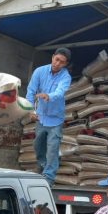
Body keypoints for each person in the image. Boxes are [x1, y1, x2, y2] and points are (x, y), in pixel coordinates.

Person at [26, 47, 72, 186]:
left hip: (55, 120)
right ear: (52, 57)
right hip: (41, 118)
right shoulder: (39, 72)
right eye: (56, 59)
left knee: (52, 149)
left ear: (65, 64)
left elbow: (60, 92)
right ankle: (42, 165)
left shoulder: (65, 77)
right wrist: (30, 111)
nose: (58, 63)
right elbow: (31, 91)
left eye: (62, 62)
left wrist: (48, 96)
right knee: (38, 146)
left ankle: (48, 178)